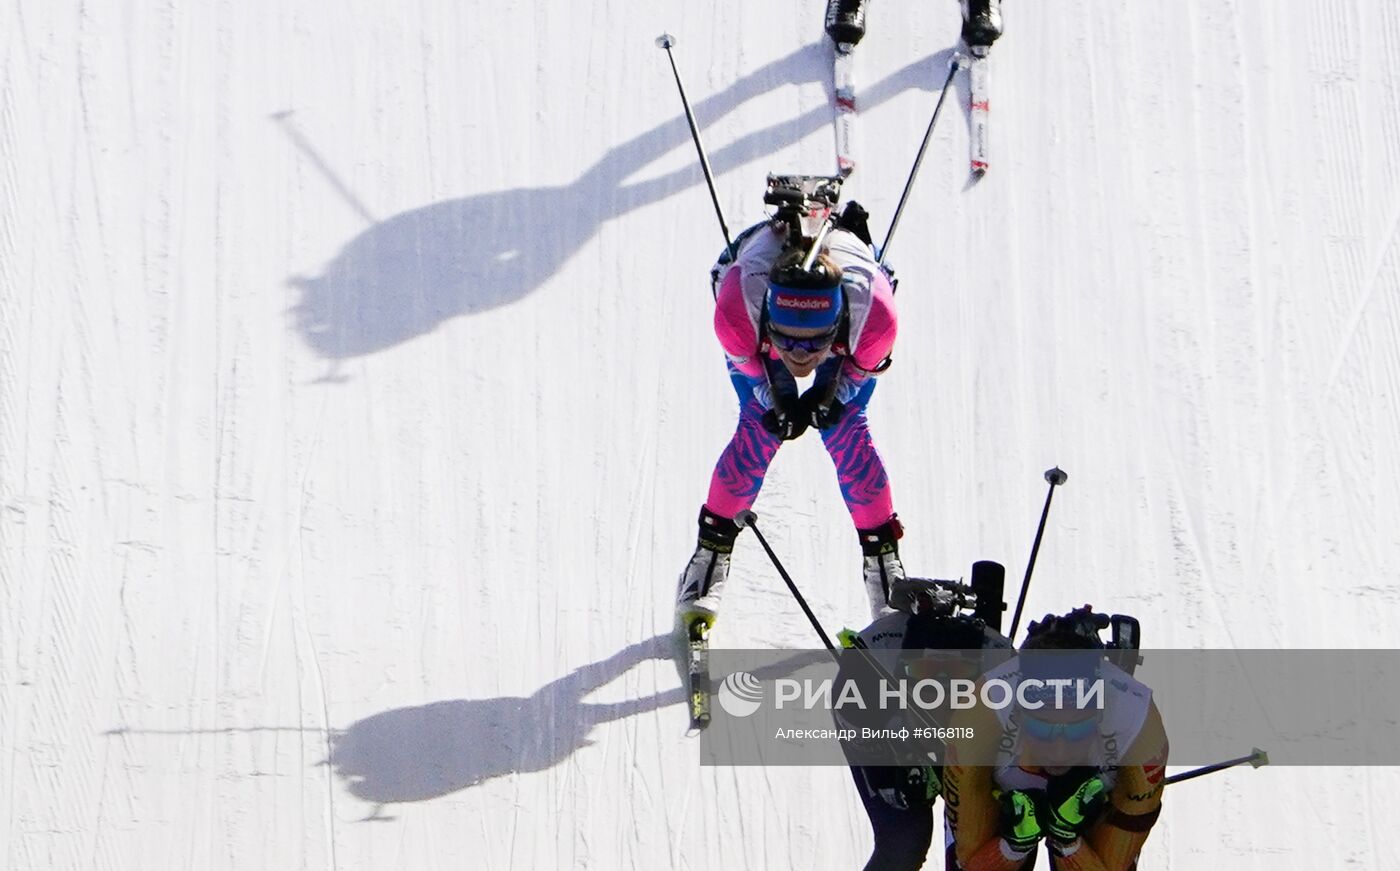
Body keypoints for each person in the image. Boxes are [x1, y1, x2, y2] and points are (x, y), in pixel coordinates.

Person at [674, 202, 904, 631]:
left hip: (852, 304)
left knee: (843, 426)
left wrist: (830, 392)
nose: (800, 358)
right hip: (749, 290)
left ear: (836, 326)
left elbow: (855, 373)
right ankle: (707, 559)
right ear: (770, 325)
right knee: (762, 423)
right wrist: (776, 393)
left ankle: (884, 568)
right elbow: (755, 373)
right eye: (789, 343)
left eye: (814, 345)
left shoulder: (874, 320)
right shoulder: (737, 314)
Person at [942, 607, 1169, 871]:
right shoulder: (982, 713)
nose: (1060, 750)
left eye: (1076, 730)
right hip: (999, 793)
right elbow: (969, 860)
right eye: (1042, 729)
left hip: (1098, 796)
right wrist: (1013, 845)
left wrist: (1067, 840)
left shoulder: (1137, 724)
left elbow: (1112, 864)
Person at [833, 579, 1013, 871]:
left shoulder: (1001, 669)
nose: (939, 691)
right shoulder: (868, 676)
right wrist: (888, 779)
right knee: (904, 842)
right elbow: (859, 734)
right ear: (904, 672)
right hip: (886, 729)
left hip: (966, 735)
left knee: (972, 845)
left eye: (956, 680)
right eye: (926, 675)